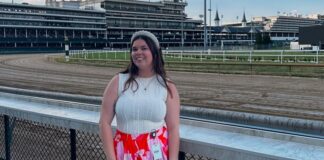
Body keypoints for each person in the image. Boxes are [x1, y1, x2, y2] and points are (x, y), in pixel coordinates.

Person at [99, 30, 180, 160]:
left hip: (156, 152)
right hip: (123, 151)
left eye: (144, 48)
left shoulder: (167, 86)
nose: (138, 52)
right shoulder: (118, 81)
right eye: (134, 49)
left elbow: (174, 128)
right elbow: (104, 123)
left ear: (154, 52)